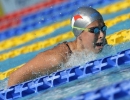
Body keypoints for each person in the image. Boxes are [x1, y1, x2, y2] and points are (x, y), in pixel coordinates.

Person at [8, 7, 107, 87]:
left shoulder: (100, 45)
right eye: (95, 30)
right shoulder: (57, 58)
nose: (102, 35)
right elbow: (14, 78)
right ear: (79, 33)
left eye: (103, 28)